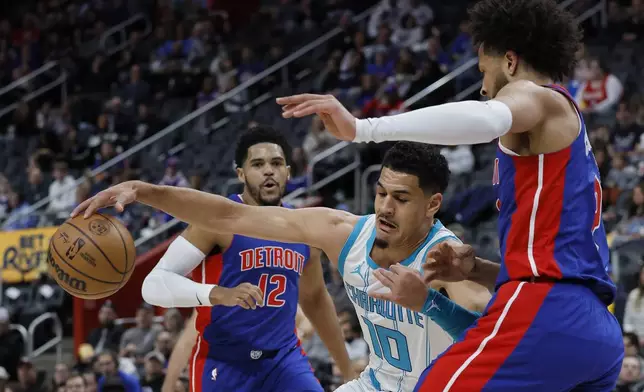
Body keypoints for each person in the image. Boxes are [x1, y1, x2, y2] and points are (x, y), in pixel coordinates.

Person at [275, 0, 624, 390]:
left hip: (549, 310)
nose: (483, 87)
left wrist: (363, 128)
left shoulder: (537, 96)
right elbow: (552, 265)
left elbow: (488, 117)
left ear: (510, 62)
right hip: (594, 330)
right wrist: (475, 270)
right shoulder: (559, 145)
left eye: (484, 71)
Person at [72, 141, 490, 391]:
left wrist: (428, 303)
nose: (384, 207)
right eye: (381, 193)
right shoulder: (344, 232)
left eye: (401, 199)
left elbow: (497, 346)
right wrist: (145, 191)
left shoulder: (447, 261)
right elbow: (229, 215)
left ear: (433, 204)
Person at [141, 126, 354, 392]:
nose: (268, 170)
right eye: (257, 164)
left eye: (276, 163)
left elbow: (315, 300)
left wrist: (348, 371)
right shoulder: (216, 222)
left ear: (288, 172)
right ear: (241, 173)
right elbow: (152, 285)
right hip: (224, 364)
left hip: (284, 362)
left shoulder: (305, 228)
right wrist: (218, 294)